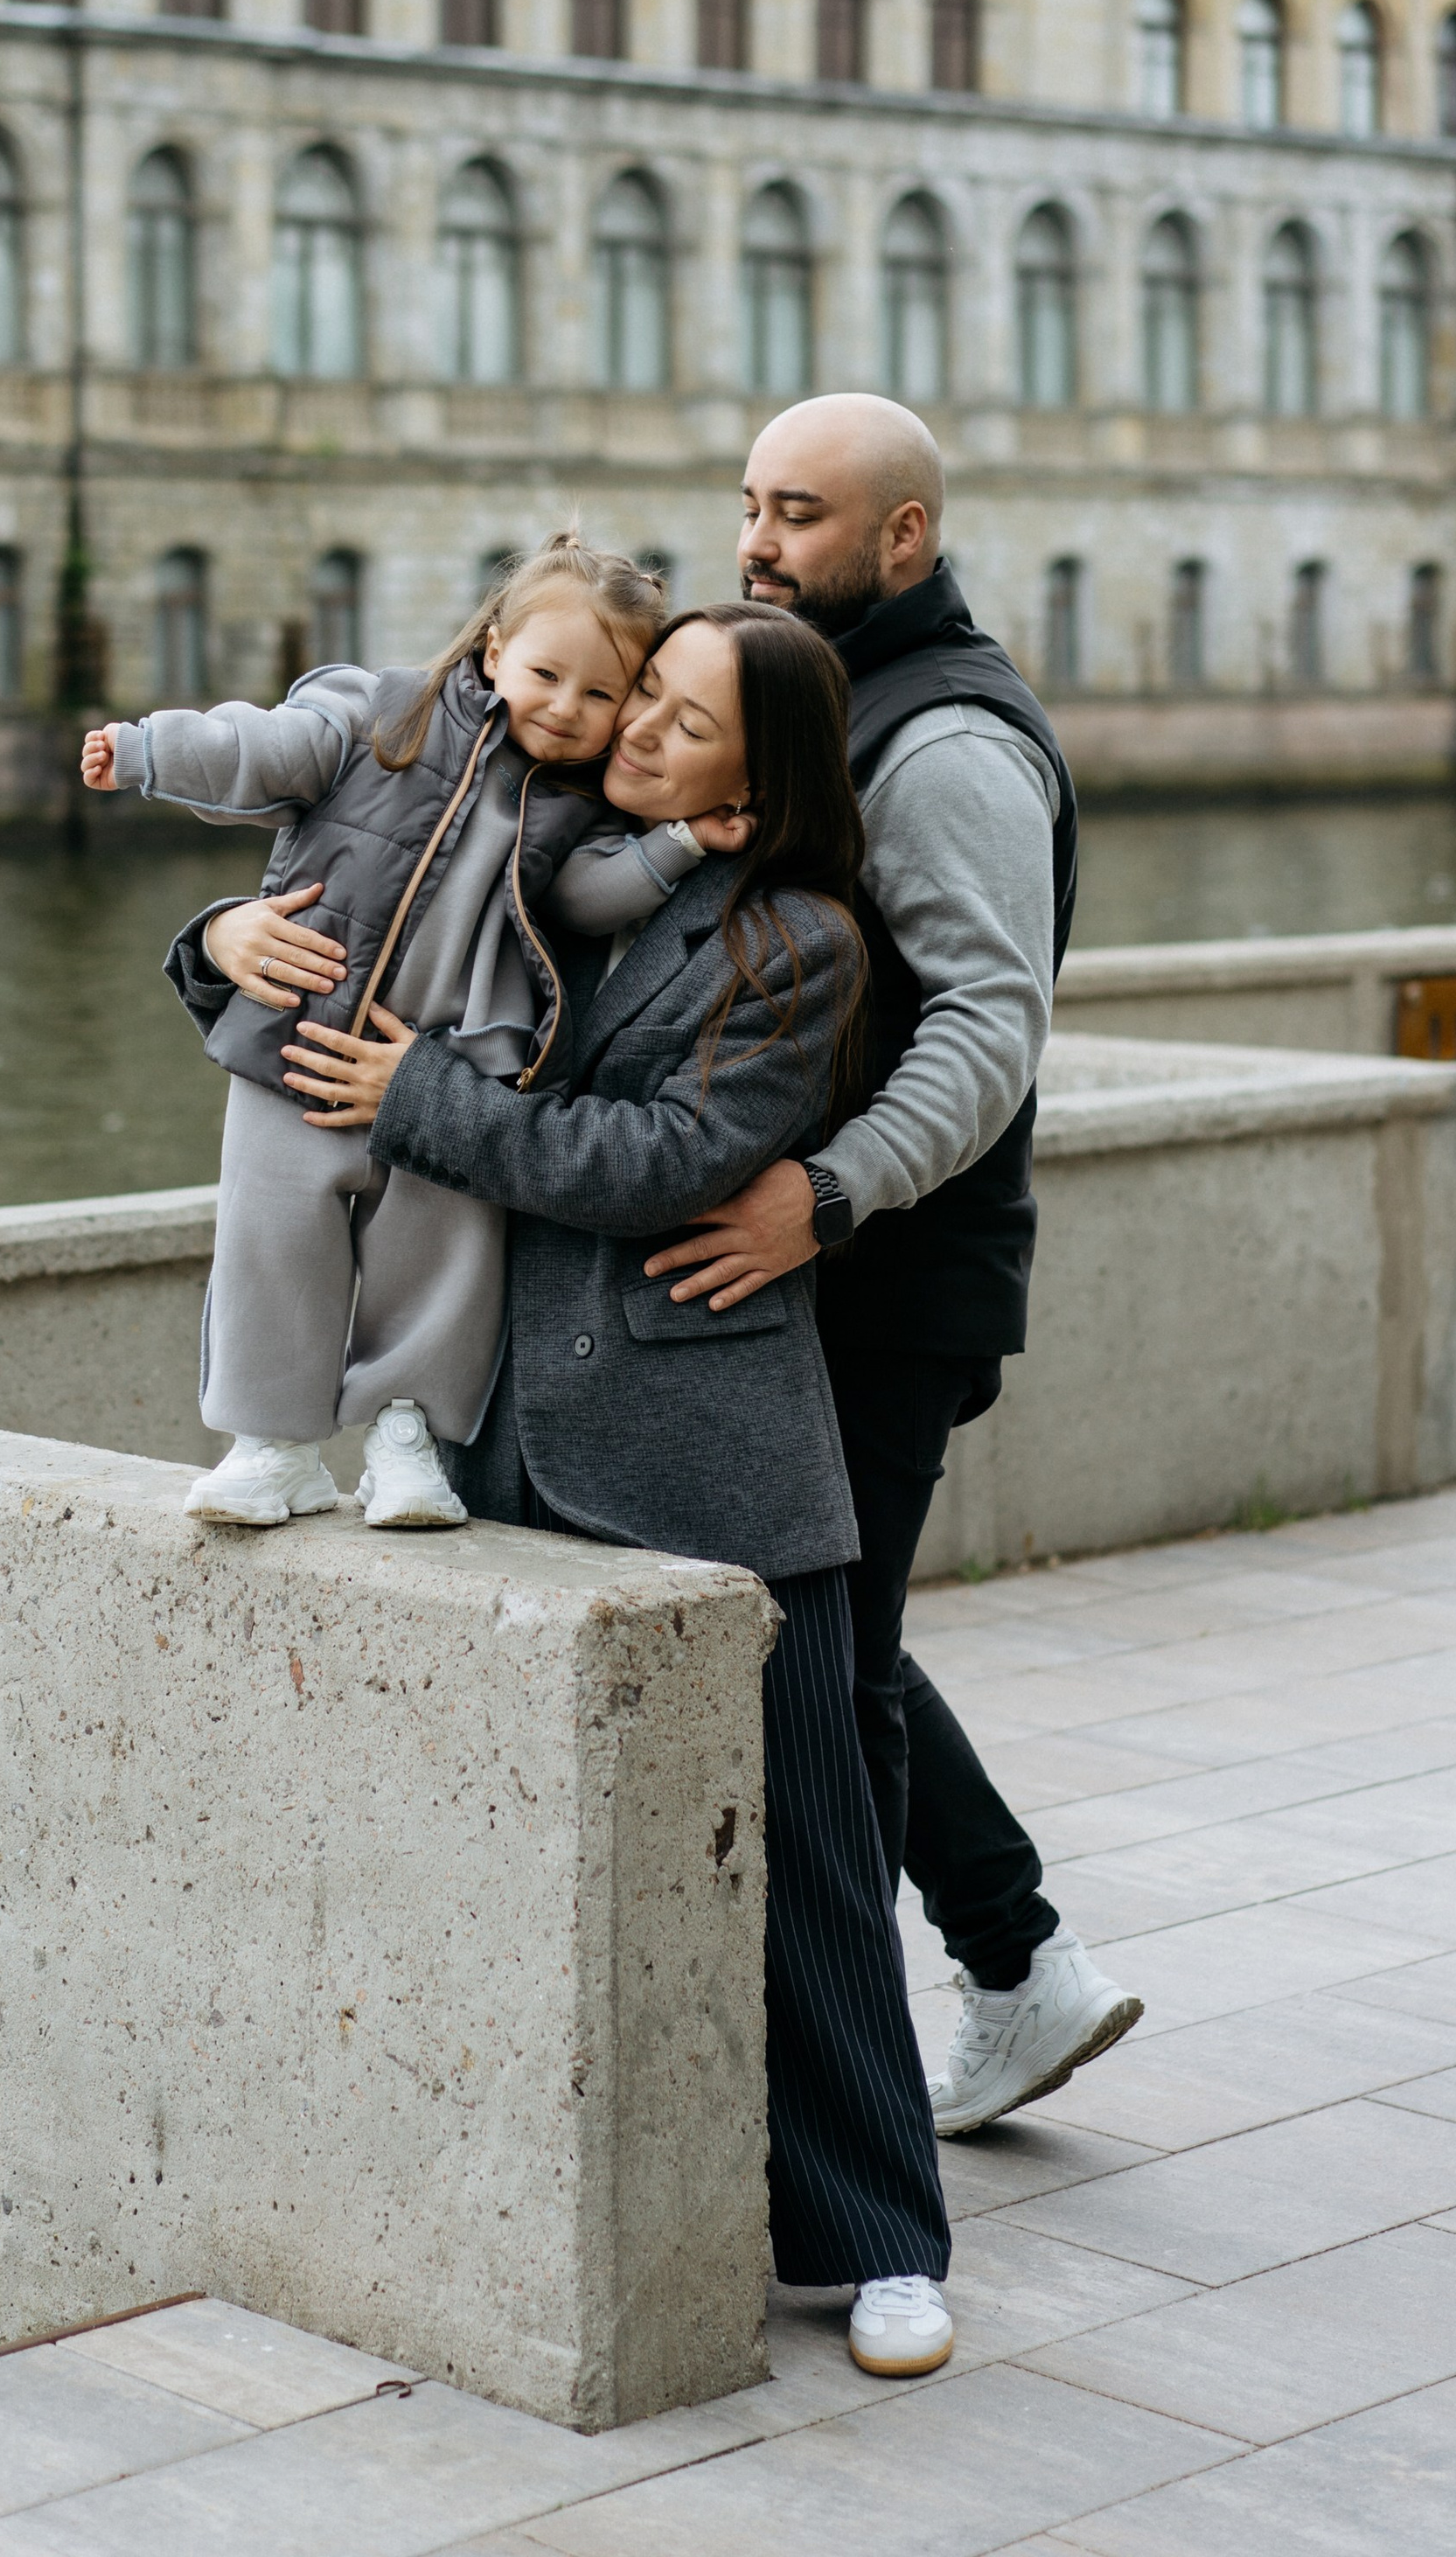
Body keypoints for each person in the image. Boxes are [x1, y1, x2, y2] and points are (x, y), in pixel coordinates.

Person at [278, 604, 959, 2382]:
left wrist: (420, 1096)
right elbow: (345, 893)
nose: (640, 727)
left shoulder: (801, 940)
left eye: (681, 715)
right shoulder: (551, 844)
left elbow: (662, 1161)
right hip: (499, 1426)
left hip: (711, 1446)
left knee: (811, 1850)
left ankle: (878, 2239)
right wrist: (222, 945)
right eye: (640, 694)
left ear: (762, 771)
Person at [643, 396, 1144, 2137]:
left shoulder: (941, 746)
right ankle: (1017, 1968)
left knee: (821, 1668)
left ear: (900, 538)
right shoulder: (844, 702)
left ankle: (885, 2068)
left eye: (795, 514)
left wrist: (823, 1199)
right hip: (847, 1273)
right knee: (825, 1629)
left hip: (880, 1276)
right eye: (747, 506)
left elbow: (990, 1029)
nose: (755, 543)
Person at [81, 532, 740, 1531]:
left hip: (454, 1069)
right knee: (272, 1239)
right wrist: (146, 748)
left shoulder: (575, 807)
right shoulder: (379, 716)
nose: (565, 709)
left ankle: (408, 1438)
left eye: (599, 696)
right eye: (546, 676)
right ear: (491, 654)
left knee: (438, 1255)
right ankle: (274, 1444)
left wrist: (683, 843)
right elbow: (259, 748)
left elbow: (589, 897)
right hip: (297, 1046)